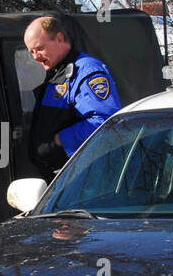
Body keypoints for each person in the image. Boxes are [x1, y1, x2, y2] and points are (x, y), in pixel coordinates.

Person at [23, 16, 121, 178]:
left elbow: (106, 122)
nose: (35, 57)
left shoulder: (86, 71)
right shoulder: (56, 72)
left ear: (59, 38)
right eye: (31, 51)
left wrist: (59, 140)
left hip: (84, 176)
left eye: (39, 48)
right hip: (60, 175)